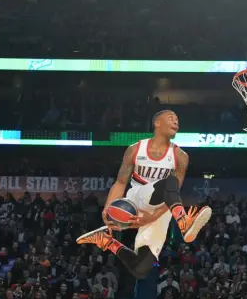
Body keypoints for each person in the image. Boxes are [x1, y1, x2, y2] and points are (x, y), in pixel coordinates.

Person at [76, 110, 212, 278]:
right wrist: (108, 208)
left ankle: (106, 241)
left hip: (162, 208)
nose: (176, 122)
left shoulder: (181, 156)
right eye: (171, 118)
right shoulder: (135, 149)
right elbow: (120, 182)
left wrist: (153, 216)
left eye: (177, 119)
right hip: (138, 198)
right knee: (170, 181)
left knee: (140, 269)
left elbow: (174, 193)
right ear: (157, 123)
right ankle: (183, 222)